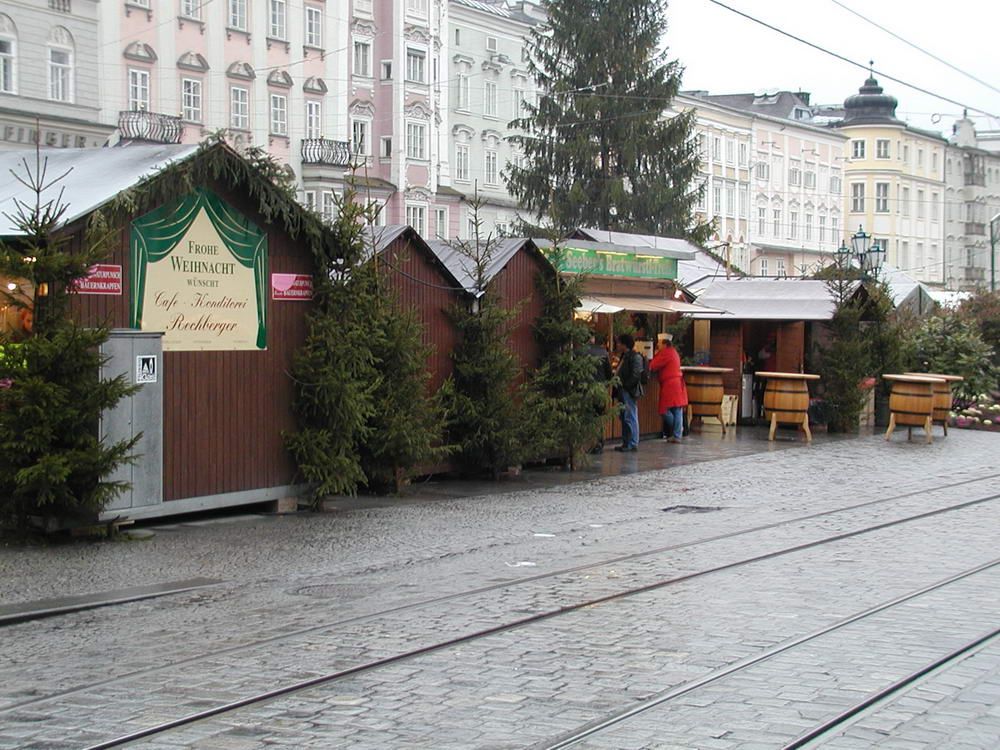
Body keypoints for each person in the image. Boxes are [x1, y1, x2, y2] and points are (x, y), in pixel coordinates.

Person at [650, 332, 688, 443]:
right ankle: (677, 433)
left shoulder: (665, 353)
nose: (657, 345)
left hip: (670, 384)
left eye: (659, 343)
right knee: (677, 409)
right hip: (677, 383)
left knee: (664, 410)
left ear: (664, 344)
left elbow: (653, 365)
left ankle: (677, 431)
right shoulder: (673, 352)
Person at [613, 333, 643, 452]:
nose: (617, 345)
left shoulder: (633, 357)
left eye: (619, 343)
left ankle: (632, 442)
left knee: (630, 416)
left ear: (624, 344)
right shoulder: (625, 356)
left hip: (628, 391)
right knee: (624, 417)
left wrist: (626, 386)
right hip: (623, 389)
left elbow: (636, 375)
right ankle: (626, 442)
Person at [585, 333, 613, 453]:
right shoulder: (602, 352)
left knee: (586, 417)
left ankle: (586, 444)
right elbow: (609, 374)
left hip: (585, 390)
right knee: (598, 417)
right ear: (593, 339)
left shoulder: (578, 352)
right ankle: (599, 443)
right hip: (600, 390)